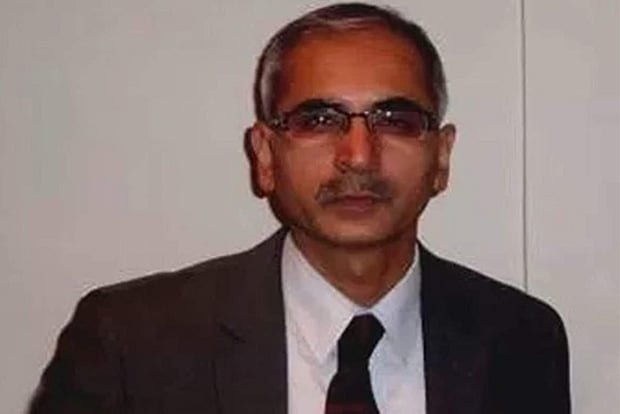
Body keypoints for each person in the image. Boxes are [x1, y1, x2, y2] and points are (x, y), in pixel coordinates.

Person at [29, 3, 570, 413]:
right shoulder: (131, 344)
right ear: (265, 156)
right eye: (318, 120)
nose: (359, 154)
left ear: (442, 157)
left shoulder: (520, 339)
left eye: (395, 120)